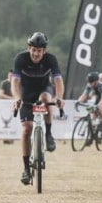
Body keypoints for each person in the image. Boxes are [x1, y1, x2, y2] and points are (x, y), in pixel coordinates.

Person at [11, 32, 65, 186]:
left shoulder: (51, 60)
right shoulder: (21, 59)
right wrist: (16, 98)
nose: (35, 54)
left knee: (46, 100)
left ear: (44, 51)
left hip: (43, 89)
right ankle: (26, 168)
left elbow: (58, 80)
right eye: (33, 50)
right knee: (26, 129)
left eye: (39, 51)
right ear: (29, 48)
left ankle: (48, 134)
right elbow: (14, 82)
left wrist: (59, 97)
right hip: (26, 94)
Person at [0, 69, 15, 144]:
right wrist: (11, 98)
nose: (11, 77)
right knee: (5, 122)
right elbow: (1, 94)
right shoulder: (4, 83)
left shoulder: (16, 83)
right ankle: (5, 138)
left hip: (14, 106)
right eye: (10, 75)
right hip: (5, 106)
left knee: (13, 122)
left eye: (12, 75)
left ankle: (12, 138)